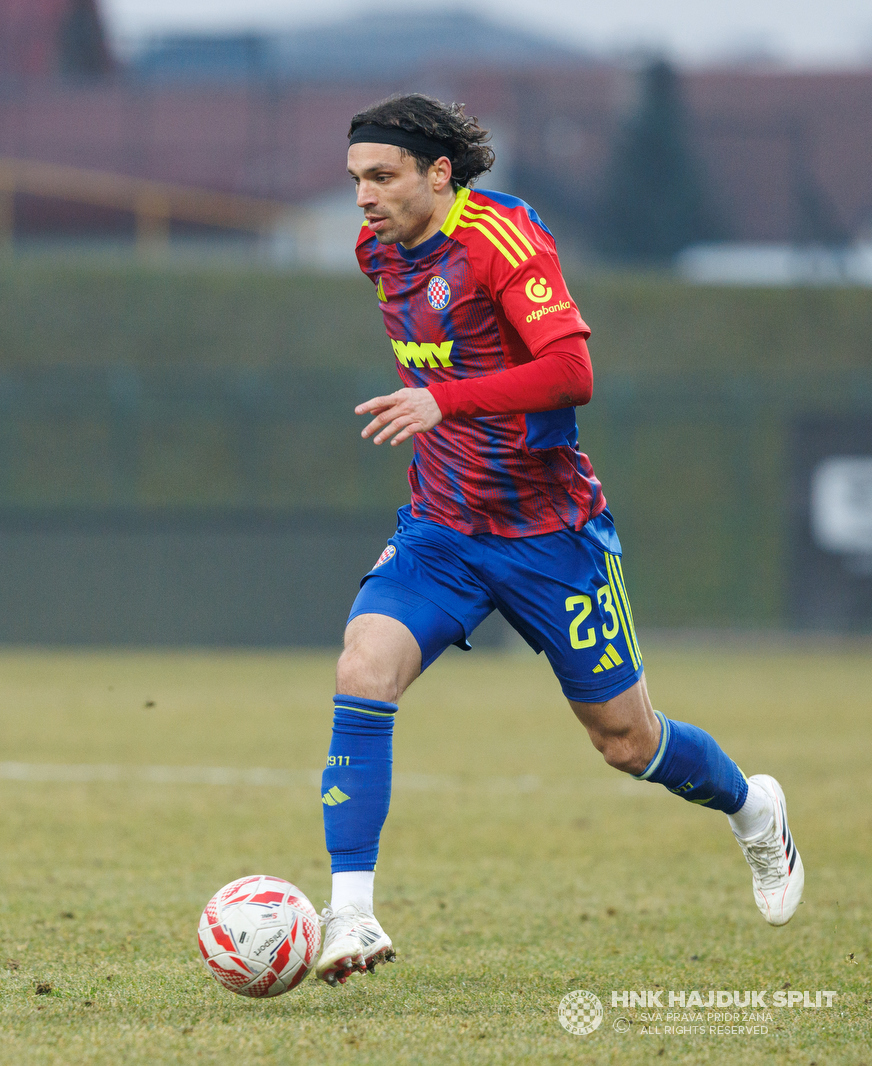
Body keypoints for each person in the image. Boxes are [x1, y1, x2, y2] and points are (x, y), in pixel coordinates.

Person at [313, 94, 802, 986]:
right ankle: (349, 913)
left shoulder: (505, 242)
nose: (363, 198)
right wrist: (445, 419)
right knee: (362, 668)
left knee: (628, 742)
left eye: (380, 177)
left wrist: (445, 400)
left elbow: (572, 373)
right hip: (443, 528)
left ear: (438, 173)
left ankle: (753, 809)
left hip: (553, 534)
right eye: (354, 180)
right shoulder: (376, 253)